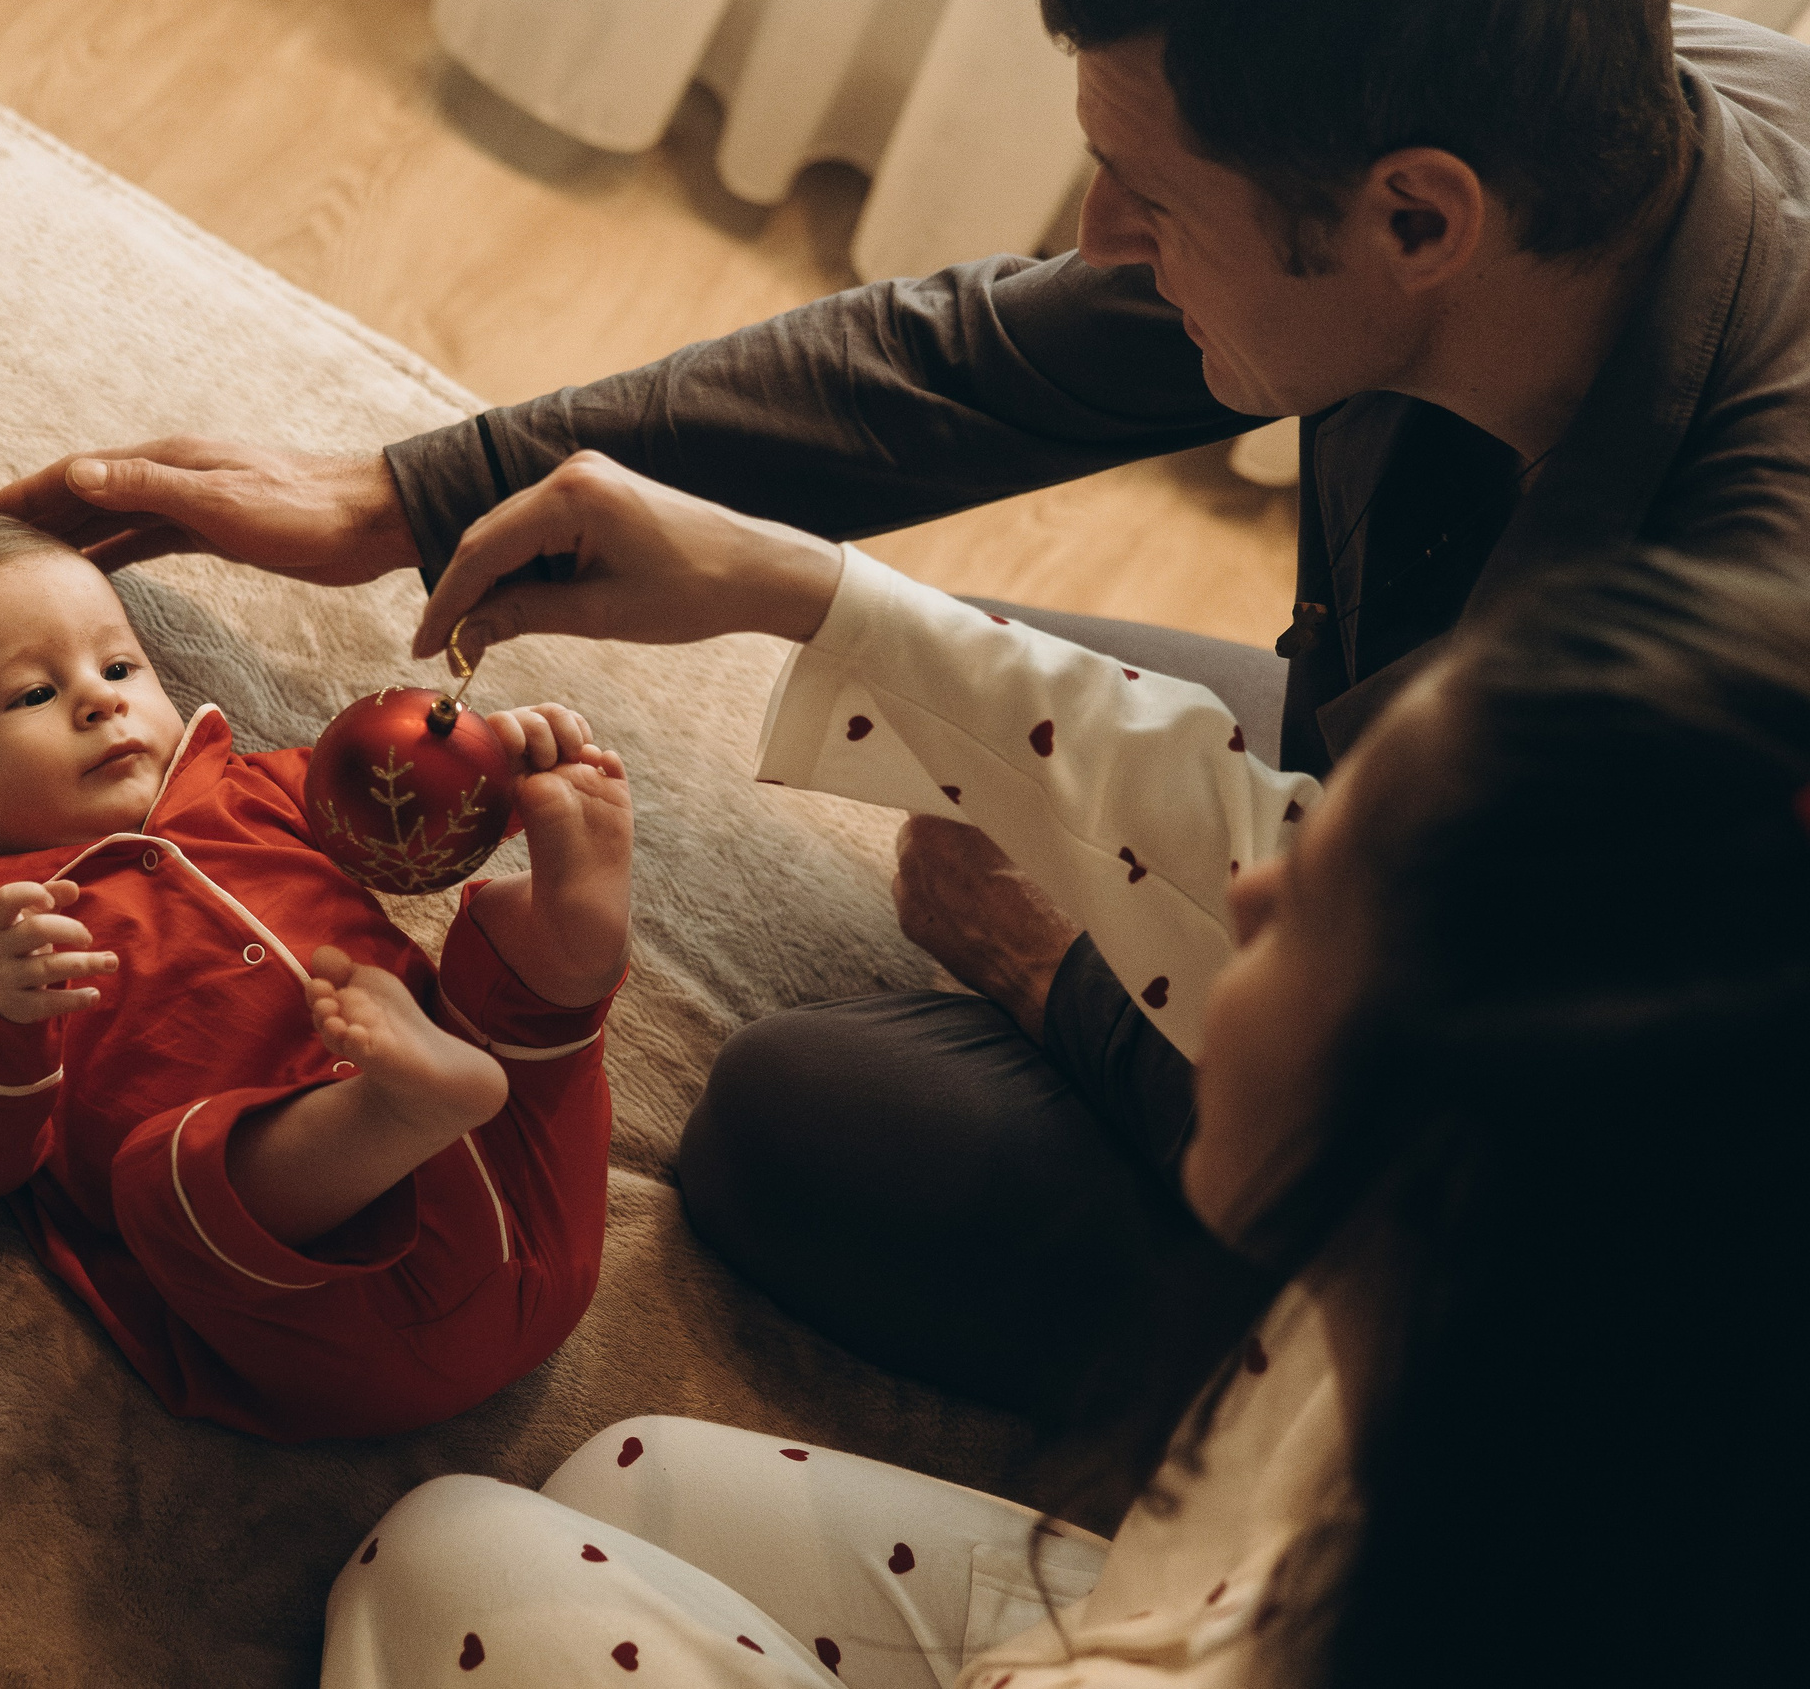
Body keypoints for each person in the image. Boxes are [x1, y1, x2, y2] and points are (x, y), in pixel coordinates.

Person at [0, 0, 1810, 1421]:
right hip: (1412, 803)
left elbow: (1473, 1147)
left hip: (1577, 1211)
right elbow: (990, 356)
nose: (1097, 233)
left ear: (1416, 217)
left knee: (805, 1123)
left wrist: (1055, 966)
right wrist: (412, 491)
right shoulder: (1603, 113)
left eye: (1153, 193)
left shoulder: (1737, 655)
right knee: (944, 701)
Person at [317, 544, 1809, 1686]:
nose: (1245, 893)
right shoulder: (1556, 1271)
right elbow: (1176, 793)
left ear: (1458, 1091)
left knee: (444, 1557)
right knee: (631, 1477)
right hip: (1180, 1592)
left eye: (1313, 897)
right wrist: (793, 582)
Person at [0, 515, 635, 1442]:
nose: (100, 701)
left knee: (503, 966)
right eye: (35, 692)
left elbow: (393, 827)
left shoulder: (253, 786)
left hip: (521, 1180)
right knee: (165, 1173)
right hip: (327, 1312)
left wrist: (478, 771)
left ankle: (574, 904)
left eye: (119, 666)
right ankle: (394, 1107)